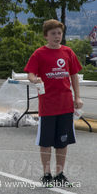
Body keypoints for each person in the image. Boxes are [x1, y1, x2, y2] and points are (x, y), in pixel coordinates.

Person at [24, 19, 82, 188]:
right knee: (46, 141)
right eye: (53, 34)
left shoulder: (68, 52)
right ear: (46, 36)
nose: (57, 36)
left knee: (62, 142)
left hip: (65, 105)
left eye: (59, 33)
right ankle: (47, 174)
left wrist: (77, 97)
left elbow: (74, 76)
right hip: (48, 105)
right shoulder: (39, 54)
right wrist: (35, 79)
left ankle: (60, 173)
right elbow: (30, 74)